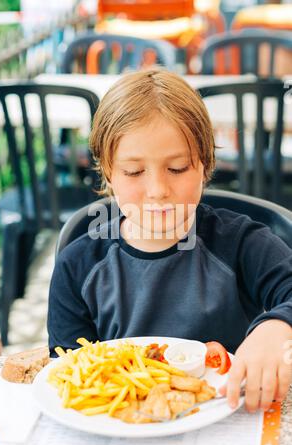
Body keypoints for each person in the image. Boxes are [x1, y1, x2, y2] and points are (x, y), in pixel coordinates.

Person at [47, 68, 292, 413]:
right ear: (109, 174)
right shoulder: (77, 267)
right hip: (120, 427)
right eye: (133, 172)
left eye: (177, 168)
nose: (158, 191)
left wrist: (277, 326)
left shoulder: (242, 243)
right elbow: (67, 378)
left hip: (228, 417)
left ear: (205, 165)